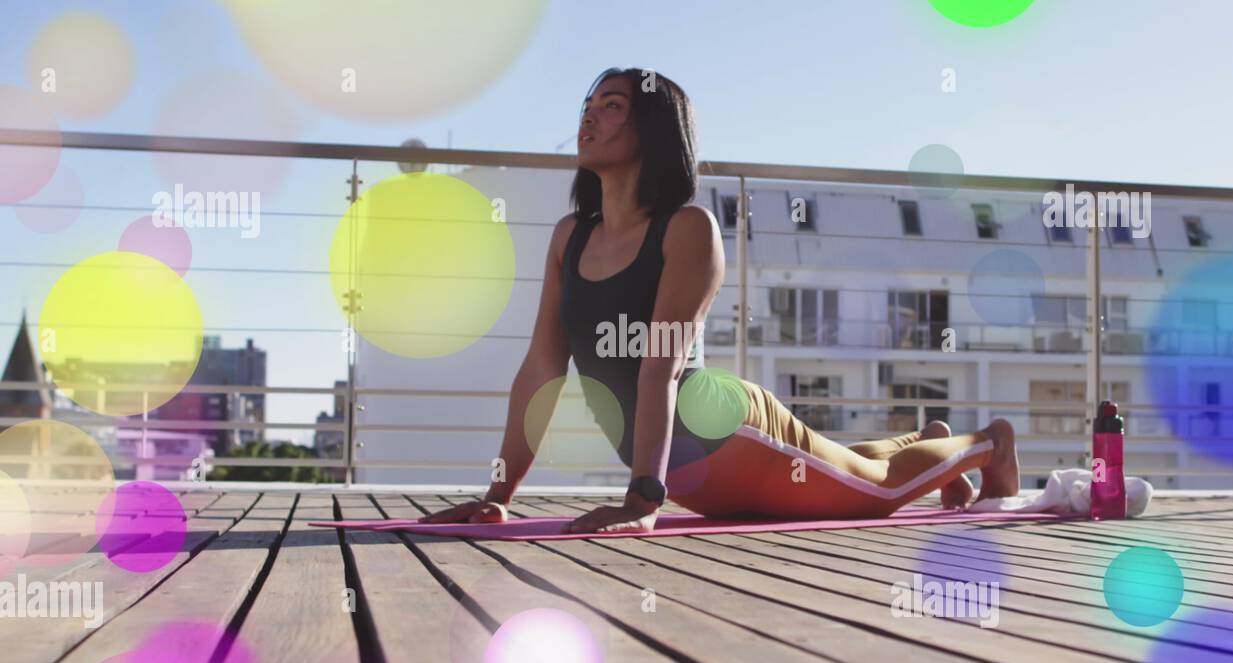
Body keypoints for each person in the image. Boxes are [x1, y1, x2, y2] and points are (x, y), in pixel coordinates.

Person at [420, 67, 1020, 533]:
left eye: (611, 106)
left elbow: (661, 364)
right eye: (587, 106)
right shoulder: (568, 237)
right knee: (838, 469)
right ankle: (929, 440)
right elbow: (542, 370)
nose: (589, 117)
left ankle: (989, 443)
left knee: (880, 491)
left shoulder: (687, 228)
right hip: (674, 472)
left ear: (652, 130)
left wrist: (643, 498)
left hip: (724, 434)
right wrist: (497, 495)